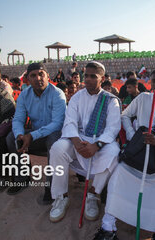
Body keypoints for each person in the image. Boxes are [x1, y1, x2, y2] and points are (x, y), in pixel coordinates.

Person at [94, 69, 155, 240]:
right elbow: (125, 116)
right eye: (154, 81)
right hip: (137, 150)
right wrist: (130, 134)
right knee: (117, 176)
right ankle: (108, 227)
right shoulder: (143, 98)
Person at [48, 61, 121, 223]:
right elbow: (70, 123)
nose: (87, 79)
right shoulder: (77, 97)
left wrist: (96, 146)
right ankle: (61, 196)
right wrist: (76, 142)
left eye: (93, 76)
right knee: (57, 149)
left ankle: (93, 194)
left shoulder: (110, 100)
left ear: (102, 79)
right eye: (85, 75)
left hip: (100, 142)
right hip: (77, 139)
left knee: (114, 153)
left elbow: (112, 129)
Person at [6, 63, 66, 200]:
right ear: (27, 79)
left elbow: (57, 124)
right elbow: (18, 120)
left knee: (53, 141)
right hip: (36, 135)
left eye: (41, 74)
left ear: (48, 77)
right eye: (33, 75)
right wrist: (20, 135)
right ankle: (22, 178)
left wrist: (31, 136)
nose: (38, 78)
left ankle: (51, 186)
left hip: (55, 135)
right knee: (11, 138)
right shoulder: (24, 95)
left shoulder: (57, 94)